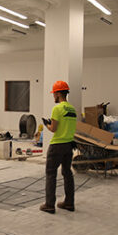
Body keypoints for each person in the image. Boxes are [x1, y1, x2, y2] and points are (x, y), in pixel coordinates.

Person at [40, 81, 78, 213]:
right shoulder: (72, 109)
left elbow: (54, 129)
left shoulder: (57, 109)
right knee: (67, 173)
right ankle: (69, 203)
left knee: (51, 174)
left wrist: (47, 124)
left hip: (57, 145)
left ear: (58, 93)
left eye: (54, 94)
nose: (53, 96)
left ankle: (49, 205)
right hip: (69, 145)